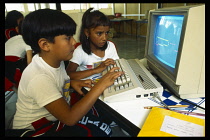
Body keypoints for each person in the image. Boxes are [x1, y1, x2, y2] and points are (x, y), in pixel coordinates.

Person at [8, 9, 123, 137]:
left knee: (104, 128)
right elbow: (69, 118)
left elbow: (56, 81)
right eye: (68, 38)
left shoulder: (56, 62)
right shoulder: (39, 77)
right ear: (45, 45)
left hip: (53, 120)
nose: (74, 42)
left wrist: (72, 82)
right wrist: (101, 84)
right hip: (37, 131)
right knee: (99, 132)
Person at [66, 8, 119, 82]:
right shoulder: (79, 51)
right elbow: (68, 74)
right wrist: (96, 70)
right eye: (99, 33)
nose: (104, 38)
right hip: (90, 87)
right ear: (87, 32)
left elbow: (117, 66)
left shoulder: (111, 46)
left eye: (107, 32)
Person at [5, 20, 33, 88]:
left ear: (17, 29)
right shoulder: (27, 41)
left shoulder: (11, 39)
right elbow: (30, 63)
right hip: (13, 67)